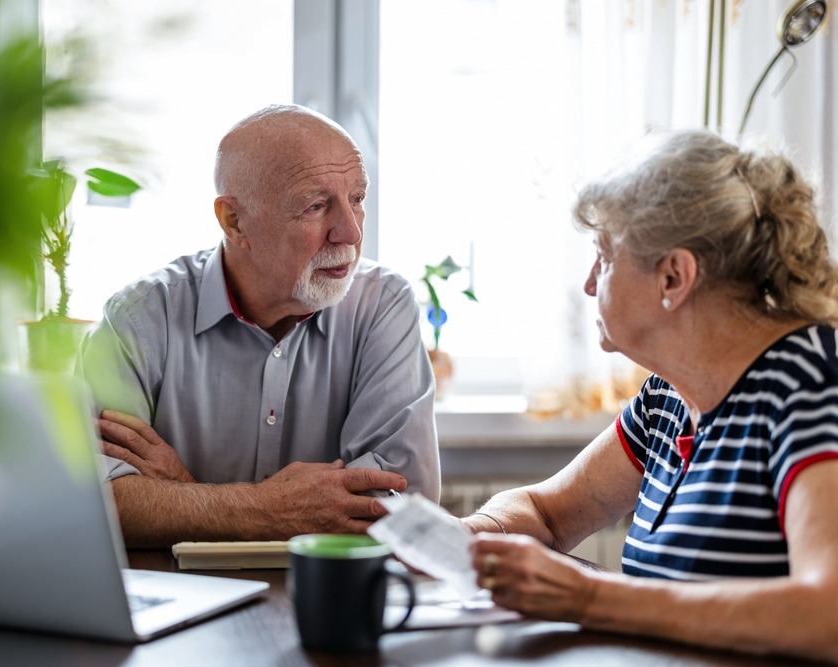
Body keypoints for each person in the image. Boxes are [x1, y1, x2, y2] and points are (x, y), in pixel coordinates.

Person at [461, 129, 838, 664]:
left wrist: (588, 596)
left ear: (673, 277)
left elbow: (827, 616)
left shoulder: (812, 386)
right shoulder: (669, 397)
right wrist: (464, 538)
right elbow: (546, 513)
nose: (590, 284)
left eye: (604, 257)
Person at [78, 104, 440, 547]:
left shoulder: (383, 305)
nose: (349, 232)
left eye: (358, 199)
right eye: (315, 206)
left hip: (330, 599)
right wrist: (272, 508)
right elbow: (94, 504)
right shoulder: (138, 320)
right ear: (234, 221)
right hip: (184, 602)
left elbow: (402, 508)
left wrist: (181, 491)